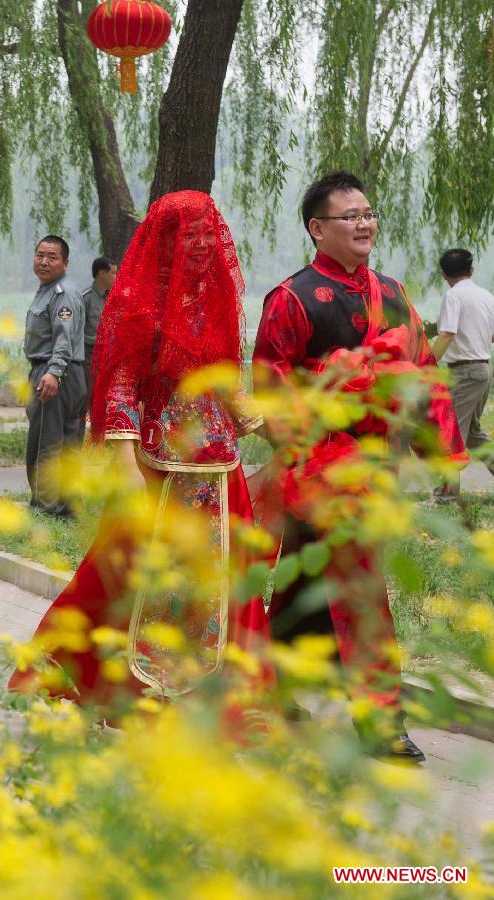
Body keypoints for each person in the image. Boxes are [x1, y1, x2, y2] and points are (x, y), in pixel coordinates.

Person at [10, 192, 271, 716]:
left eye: (205, 231)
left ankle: (226, 696)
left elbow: (219, 372)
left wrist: (252, 414)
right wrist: (125, 462)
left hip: (218, 468)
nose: (199, 243)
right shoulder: (141, 303)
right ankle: (124, 685)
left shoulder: (215, 300)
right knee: (128, 572)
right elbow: (121, 387)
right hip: (156, 465)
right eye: (186, 233)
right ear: (165, 240)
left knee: (223, 579)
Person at [253, 171, 465, 761]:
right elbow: (270, 390)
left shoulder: (392, 292)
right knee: (362, 590)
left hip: (376, 469)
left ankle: (270, 694)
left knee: (301, 587)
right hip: (319, 471)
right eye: (350, 216)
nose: (365, 223)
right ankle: (381, 724)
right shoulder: (291, 298)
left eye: (369, 213)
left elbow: (423, 370)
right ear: (317, 229)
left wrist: (442, 452)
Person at [24, 235, 86, 517]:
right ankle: (67, 507)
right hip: (68, 373)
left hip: (55, 373)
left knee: (45, 444)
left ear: (65, 263)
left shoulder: (62, 293)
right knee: (68, 444)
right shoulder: (48, 290)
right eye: (40, 255)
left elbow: (64, 338)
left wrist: (53, 373)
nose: (44, 262)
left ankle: (44, 509)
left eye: (52, 257)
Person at [433, 249, 494, 485]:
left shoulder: (454, 296)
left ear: (443, 274)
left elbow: (447, 334)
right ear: (471, 270)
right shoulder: (486, 296)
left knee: (450, 434)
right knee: (474, 434)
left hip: (465, 372)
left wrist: (428, 363)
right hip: (483, 370)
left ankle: (445, 494)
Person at [79, 257, 117, 439]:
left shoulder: (113, 298)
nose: (116, 277)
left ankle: (100, 439)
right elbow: (77, 331)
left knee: (103, 402)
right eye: (113, 272)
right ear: (101, 274)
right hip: (88, 359)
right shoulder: (85, 298)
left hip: (107, 359)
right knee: (86, 400)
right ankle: (82, 440)